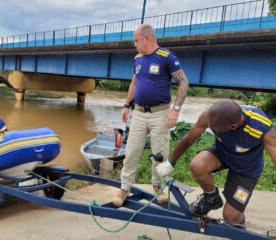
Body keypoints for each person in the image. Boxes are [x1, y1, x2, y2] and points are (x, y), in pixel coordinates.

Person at [155, 100, 276, 225]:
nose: (211, 127)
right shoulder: (210, 116)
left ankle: (239, 228)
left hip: (246, 169)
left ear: (233, 126)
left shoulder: (261, 127)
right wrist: (171, 163)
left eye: (214, 129)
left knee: (231, 218)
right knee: (197, 165)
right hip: (221, 154)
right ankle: (211, 198)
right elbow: (188, 140)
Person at [112, 24, 189, 207]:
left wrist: (175, 110)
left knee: (160, 155)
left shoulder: (167, 57)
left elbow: (184, 82)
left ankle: (159, 187)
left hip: (160, 114)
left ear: (146, 38)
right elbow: (134, 83)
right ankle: (124, 189)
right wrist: (126, 105)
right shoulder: (137, 59)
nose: (135, 44)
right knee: (131, 153)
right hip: (138, 113)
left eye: (136, 40)